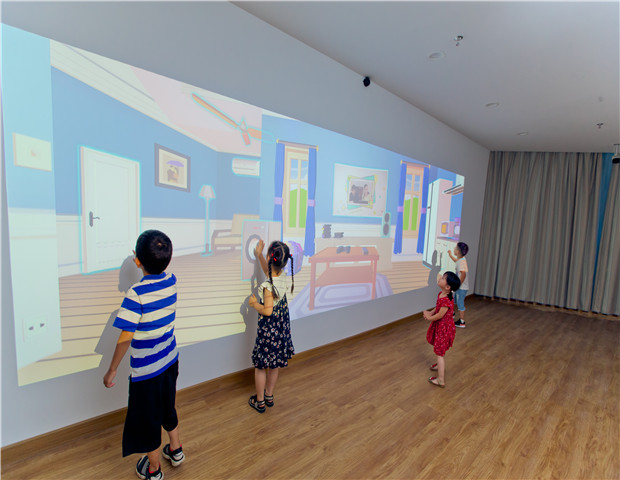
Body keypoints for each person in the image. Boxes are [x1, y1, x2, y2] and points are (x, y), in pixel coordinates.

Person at [104, 230, 184, 480]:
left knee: (148, 420)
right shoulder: (171, 280)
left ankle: (154, 469)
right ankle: (176, 449)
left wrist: (112, 369)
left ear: (137, 260)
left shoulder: (135, 294)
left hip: (147, 374)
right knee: (168, 407)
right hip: (170, 362)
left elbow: (125, 338)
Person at [247, 239, 295, 413]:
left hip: (269, 331)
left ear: (269, 258)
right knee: (274, 365)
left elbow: (267, 311)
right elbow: (268, 271)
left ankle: (259, 401)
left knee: (261, 366)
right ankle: (269, 395)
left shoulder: (268, 286)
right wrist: (259, 255)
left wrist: (254, 304)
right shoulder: (281, 276)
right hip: (280, 330)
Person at [424, 271, 461, 388]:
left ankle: (440, 380)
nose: (440, 278)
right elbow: (438, 308)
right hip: (441, 326)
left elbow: (440, 315)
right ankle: (438, 366)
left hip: (444, 328)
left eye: (443, 278)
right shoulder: (441, 294)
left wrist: (429, 317)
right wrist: (431, 312)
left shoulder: (446, 300)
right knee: (438, 348)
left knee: (440, 353)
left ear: (447, 287)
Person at [448, 241, 469, 328]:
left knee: (460, 303)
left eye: (455, 248)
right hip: (461, 287)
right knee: (454, 299)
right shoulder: (461, 259)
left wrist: (458, 284)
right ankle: (452, 313)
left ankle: (461, 322)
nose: (454, 249)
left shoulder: (461, 262)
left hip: (462, 287)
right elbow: (456, 261)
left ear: (459, 251)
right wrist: (450, 255)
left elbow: (463, 274)